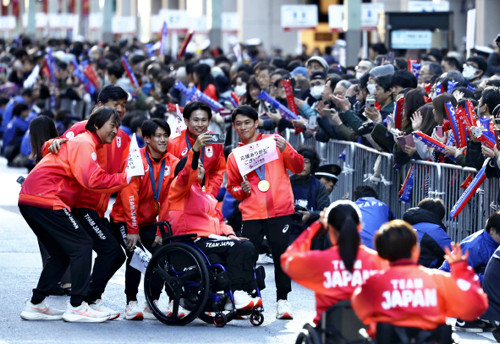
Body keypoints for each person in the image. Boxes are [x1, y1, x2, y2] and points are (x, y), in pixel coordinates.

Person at [18, 107, 131, 322]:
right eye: (112, 125)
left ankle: (36, 303)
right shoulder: (85, 142)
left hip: (32, 198)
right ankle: (77, 306)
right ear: (96, 125)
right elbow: (92, 180)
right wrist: (126, 178)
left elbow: (52, 146)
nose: (116, 131)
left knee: (61, 253)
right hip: (46, 198)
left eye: (118, 126)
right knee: (82, 245)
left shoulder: (84, 142)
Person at [48, 84, 131, 319]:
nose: (121, 110)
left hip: (98, 208)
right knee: (108, 250)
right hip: (78, 205)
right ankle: (84, 301)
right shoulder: (79, 129)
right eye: (116, 105)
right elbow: (55, 151)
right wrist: (50, 143)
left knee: (115, 253)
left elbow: (124, 176)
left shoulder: (122, 137)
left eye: (124, 106)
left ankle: (88, 299)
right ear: (101, 106)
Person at [226, 105, 304, 319]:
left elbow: (298, 167)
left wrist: (286, 149)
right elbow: (231, 187)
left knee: (281, 255)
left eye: (247, 122)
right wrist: (241, 191)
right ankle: (247, 298)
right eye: (238, 124)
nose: (243, 127)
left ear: (256, 122)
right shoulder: (235, 156)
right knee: (247, 255)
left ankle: (283, 301)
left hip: (281, 211)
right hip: (252, 213)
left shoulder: (274, 143)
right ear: (234, 127)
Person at [351, 220, 489, 337]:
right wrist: (461, 271)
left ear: (380, 253)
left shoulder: (370, 284)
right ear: (416, 250)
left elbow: (358, 316)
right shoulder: (439, 280)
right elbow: (476, 307)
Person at [110, 118, 187, 320]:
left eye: (165, 136)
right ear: (147, 139)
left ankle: (151, 301)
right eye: (158, 136)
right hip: (124, 219)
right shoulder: (135, 160)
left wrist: (161, 231)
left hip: (150, 222)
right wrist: (133, 229)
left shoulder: (173, 162)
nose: (162, 140)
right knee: (135, 255)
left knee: (163, 253)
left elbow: (171, 201)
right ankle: (131, 302)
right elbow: (129, 198)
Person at [168, 149, 261, 311]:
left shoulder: (206, 195)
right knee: (235, 248)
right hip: (192, 239)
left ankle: (244, 291)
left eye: (203, 166)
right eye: (198, 165)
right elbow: (186, 174)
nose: (201, 168)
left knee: (247, 246)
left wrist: (232, 235)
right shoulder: (179, 189)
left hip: (210, 238)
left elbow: (219, 221)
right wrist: (195, 151)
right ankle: (236, 292)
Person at [281, 200, 386, 325]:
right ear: (360, 226)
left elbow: (287, 259)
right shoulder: (378, 261)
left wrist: (317, 225)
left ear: (329, 229)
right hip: (367, 333)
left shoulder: (320, 261)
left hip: (328, 333)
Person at [167, 101, 226, 198]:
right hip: (181, 197)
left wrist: (209, 194)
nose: (200, 124)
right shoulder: (174, 143)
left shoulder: (215, 141)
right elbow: (171, 176)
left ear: (209, 121)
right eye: (196, 120)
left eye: (204, 120)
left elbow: (218, 171)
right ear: (186, 121)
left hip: (206, 196)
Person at [289, 146, 330, 244]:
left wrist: (310, 215)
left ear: (312, 165)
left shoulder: (318, 186)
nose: (302, 164)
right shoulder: (286, 182)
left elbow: (325, 211)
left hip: (312, 231)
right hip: (289, 230)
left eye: (306, 162)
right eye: (299, 160)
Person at [402, 198, 451, 268]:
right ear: (440, 215)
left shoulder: (405, 226)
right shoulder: (435, 230)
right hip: (422, 273)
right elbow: (451, 254)